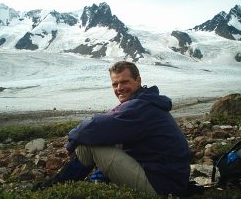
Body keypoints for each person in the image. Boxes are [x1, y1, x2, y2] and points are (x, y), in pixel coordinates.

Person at [35, 61, 191, 196]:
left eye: (124, 82)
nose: (119, 88)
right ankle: (89, 182)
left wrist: (71, 140)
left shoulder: (140, 107)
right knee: (106, 140)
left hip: (162, 186)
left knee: (89, 144)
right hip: (167, 179)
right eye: (115, 84)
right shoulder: (144, 102)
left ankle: (58, 185)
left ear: (138, 80)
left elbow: (93, 127)